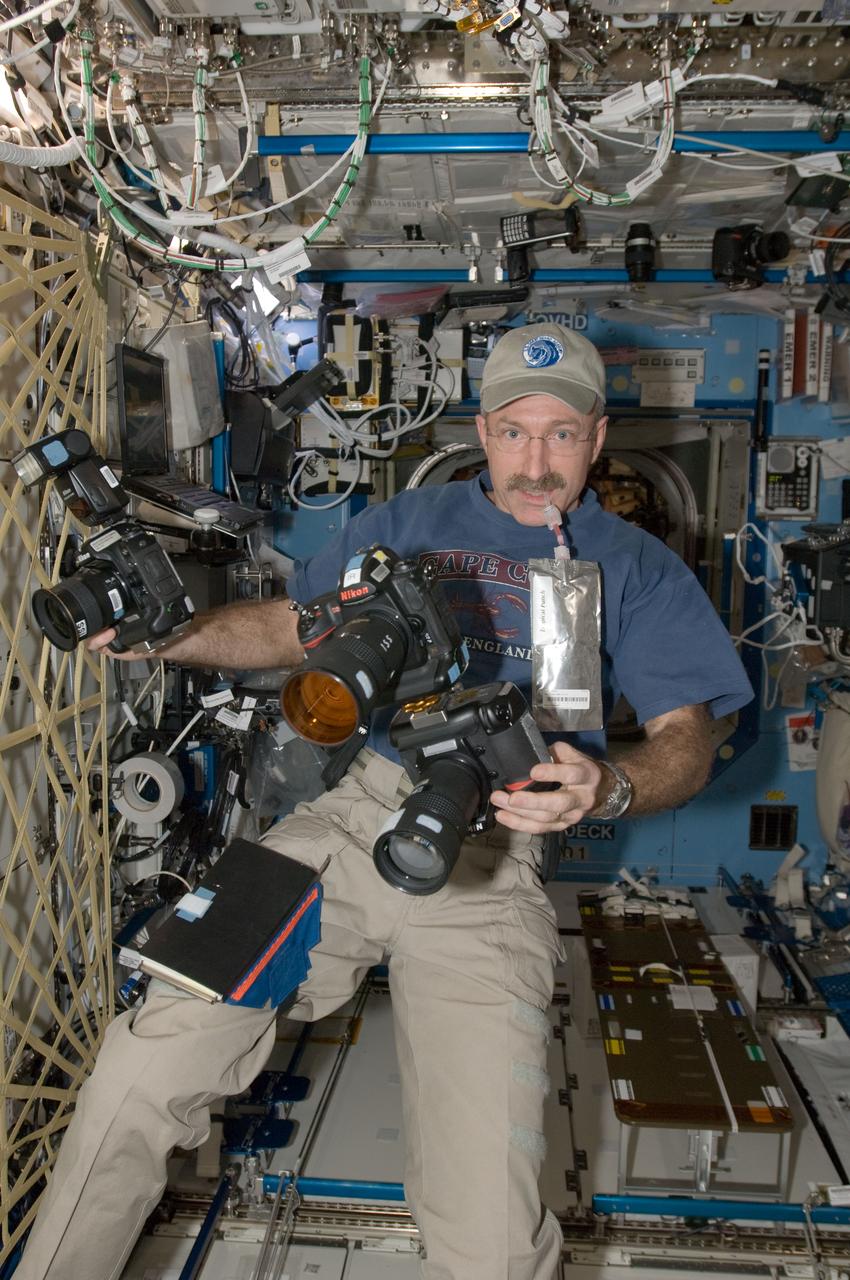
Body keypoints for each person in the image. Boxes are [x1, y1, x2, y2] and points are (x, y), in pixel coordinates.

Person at [18, 323, 753, 1280]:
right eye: (515, 432)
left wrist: (606, 783)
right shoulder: (406, 525)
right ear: (483, 430)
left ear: (598, 436)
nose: (537, 463)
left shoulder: (639, 568)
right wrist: (170, 637)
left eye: (562, 435)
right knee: (141, 1066)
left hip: (494, 861)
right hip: (353, 819)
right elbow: (290, 628)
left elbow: (685, 742)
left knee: (490, 1234)